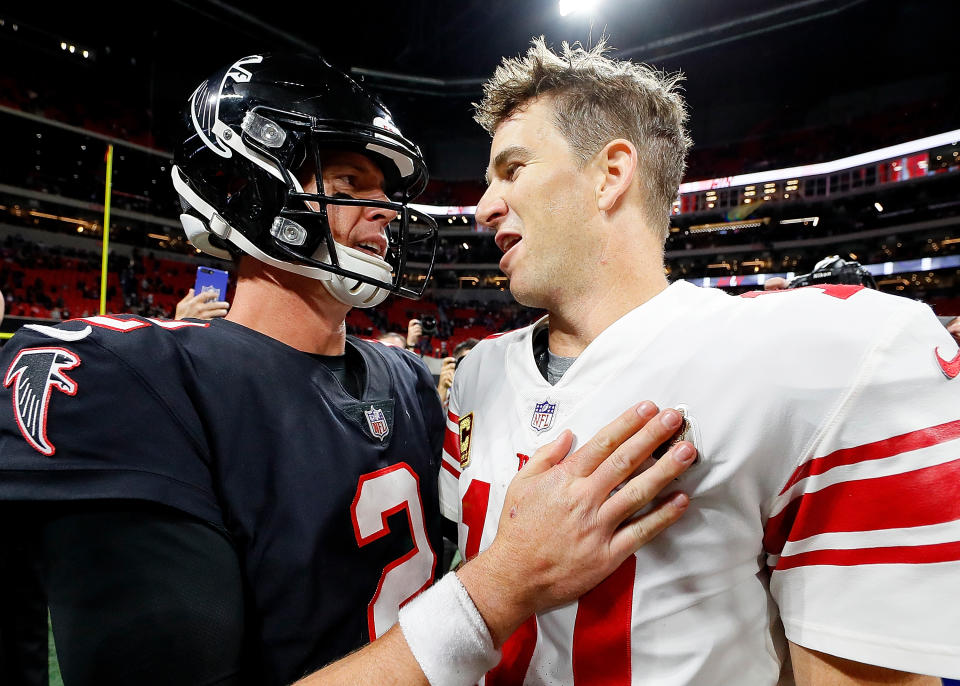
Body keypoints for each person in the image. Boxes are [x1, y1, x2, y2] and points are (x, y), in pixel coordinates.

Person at [0, 53, 693, 686]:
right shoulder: (138, 380)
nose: (382, 213)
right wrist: (501, 587)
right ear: (247, 185)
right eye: (349, 181)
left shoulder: (410, 384)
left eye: (384, 191)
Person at [439, 37, 960, 685]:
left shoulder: (809, 357)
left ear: (611, 174)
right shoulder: (479, 374)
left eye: (512, 169)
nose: (485, 205)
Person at [437, 337, 479, 406]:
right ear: (455, 366)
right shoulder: (446, 395)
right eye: (465, 361)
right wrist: (442, 388)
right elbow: (430, 415)